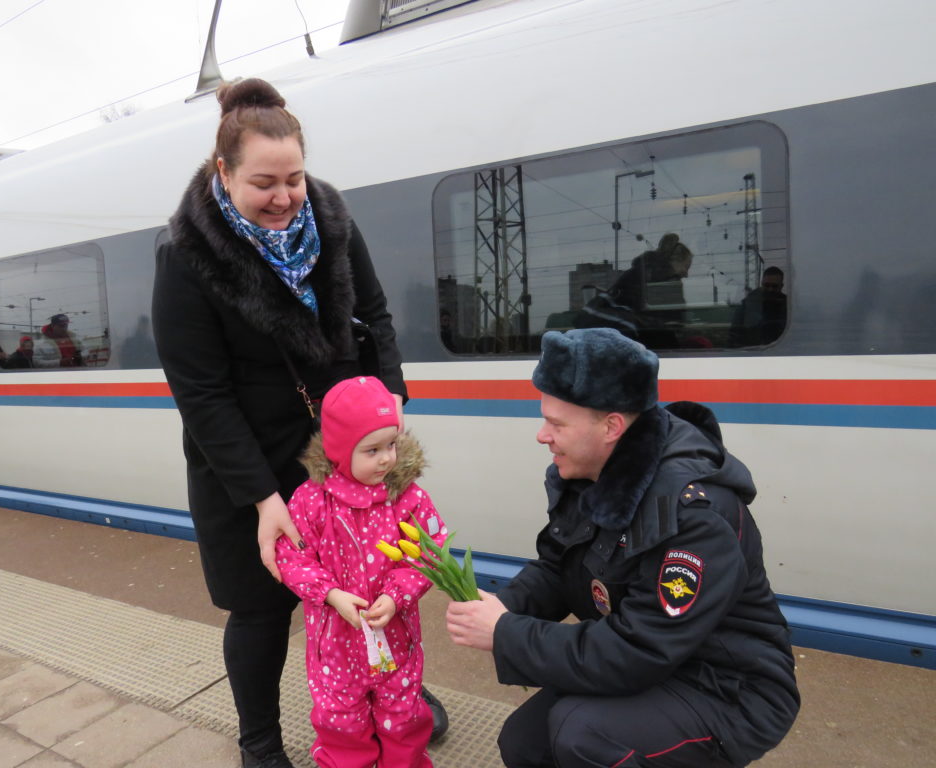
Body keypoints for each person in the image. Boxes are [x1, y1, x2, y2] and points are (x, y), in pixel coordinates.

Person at [151, 78, 445, 768]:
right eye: (263, 183)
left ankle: (394, 701)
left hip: (341, 446)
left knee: (374, 583)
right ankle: (261, 740)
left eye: (294, 177)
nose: (285, 197)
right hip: (242, 456)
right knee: (260, 606)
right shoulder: (185, 255)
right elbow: (202, 391)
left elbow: (374, 314)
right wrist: (262, 498)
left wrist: (390, 399)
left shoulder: (332, 221)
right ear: (222, 173)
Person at [446, 328, 799, 768]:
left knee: (583, 735)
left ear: (612, 425)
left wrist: (506, 633)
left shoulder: (693, 515)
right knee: (523, 743)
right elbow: (559, 566)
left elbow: (639, 650)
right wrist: (503, 605)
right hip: (662, 660)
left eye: (556, 424)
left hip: (728, 688)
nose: (542, 436)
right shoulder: (594, 474)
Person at [276, 376, 444, 768]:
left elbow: (428, 552)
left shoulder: (408, 497)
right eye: (371, 450)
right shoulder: (311, 501)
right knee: (340, 720)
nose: (386, 459)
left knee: (403, 715)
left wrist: (397, 595)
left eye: (391, 445)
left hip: (396, 639)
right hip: (335, 644)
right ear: (338, 450)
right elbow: (291, 556)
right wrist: (331, 594)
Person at [729, 266, 787, 346]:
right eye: (767, 285)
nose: (770, 289)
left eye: (774, 286)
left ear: (781, 286)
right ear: (762, 284)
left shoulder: (788, 306)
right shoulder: (748, 304)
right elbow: (734, 333)